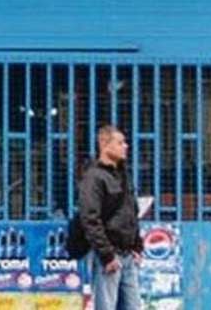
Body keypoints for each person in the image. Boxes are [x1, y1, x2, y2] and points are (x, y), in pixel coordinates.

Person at [78, 124, 143, 310]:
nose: (126, 146)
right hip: (108, 256)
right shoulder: (94, 177)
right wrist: (107, 255)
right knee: (105, 305)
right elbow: (90, 219)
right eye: (120, 142)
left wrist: (137, 246)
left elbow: (132, 212)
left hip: (128, 255)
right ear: (105, 144)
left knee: (133, 305)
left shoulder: (124, 175)